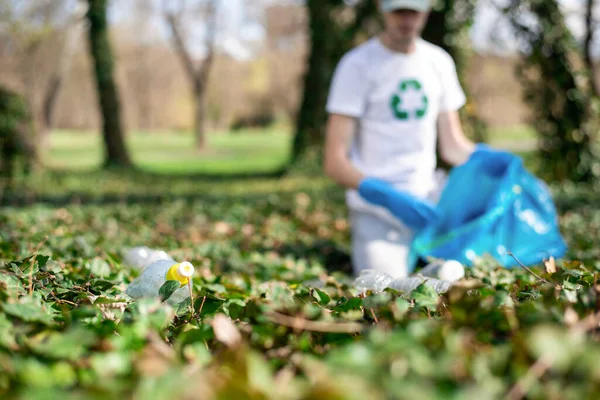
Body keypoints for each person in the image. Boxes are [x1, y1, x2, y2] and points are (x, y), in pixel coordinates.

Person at [323, 0, 507, 279]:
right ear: (382, 8)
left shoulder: (438, 62)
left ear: (427, 9)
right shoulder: (357, 65)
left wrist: (491, 160)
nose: (407, 18)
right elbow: (334, 161)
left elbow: (453, 146)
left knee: (470, 272)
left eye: (414, 10)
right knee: (383, 288)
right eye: (399, 10)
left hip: (430, 204)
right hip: (376, 211)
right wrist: (381, 194)